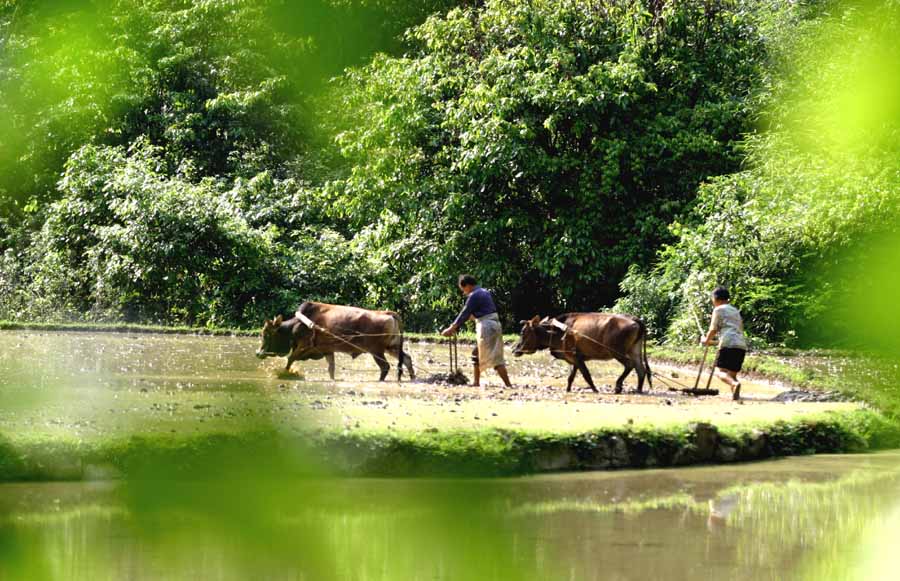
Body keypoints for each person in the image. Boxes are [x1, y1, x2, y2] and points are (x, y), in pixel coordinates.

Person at [441, 275, 512, 387]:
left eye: (463, 289)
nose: (464, 293)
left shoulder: (474, 295)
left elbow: (465, 313)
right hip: (494, 325)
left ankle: (507, 385)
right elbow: (475, 314)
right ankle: (477, 382)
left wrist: (451, 328)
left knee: (494, 358)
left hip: (487, 326)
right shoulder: (484, 292)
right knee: (479, 354)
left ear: (468, 286)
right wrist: (457, 326)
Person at [700, 286, 748, 400]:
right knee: (731, 375)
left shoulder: (718, 309)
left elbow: (713, 329)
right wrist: (713, 342)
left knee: (719, 372)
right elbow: (738, 329)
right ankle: (736, 397)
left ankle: (734, 385)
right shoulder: (735, 311)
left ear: (716, 299)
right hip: (741, 345)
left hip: (728, 343)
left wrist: (705, 340)